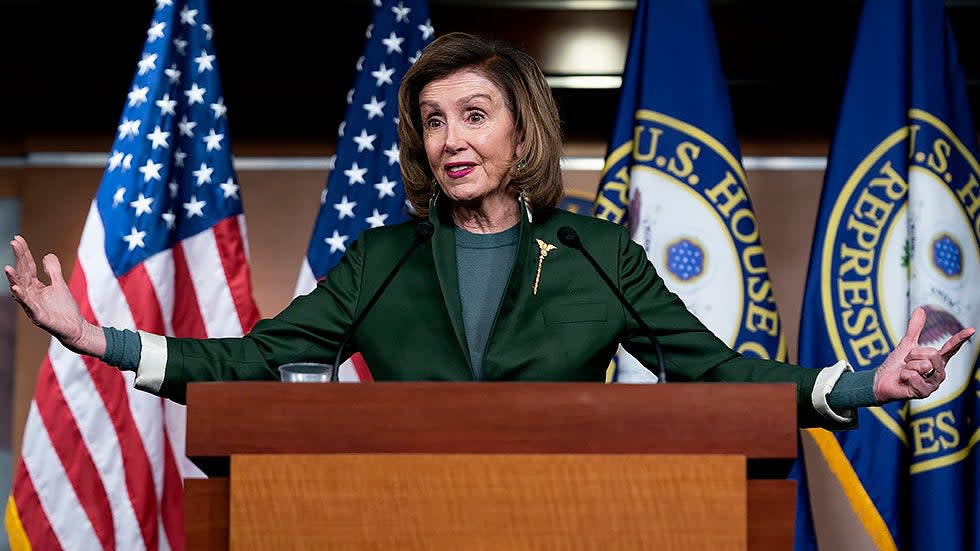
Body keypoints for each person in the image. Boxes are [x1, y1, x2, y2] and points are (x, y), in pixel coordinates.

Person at [5, 32, 975, 430]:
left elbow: (711, 370)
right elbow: (257, 358)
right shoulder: (381, 259)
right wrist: (98, 338)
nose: (450, 138)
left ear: (521, 130)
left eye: (473, 113)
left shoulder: (600, 251)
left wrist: (861, 381)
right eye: (432, 120)